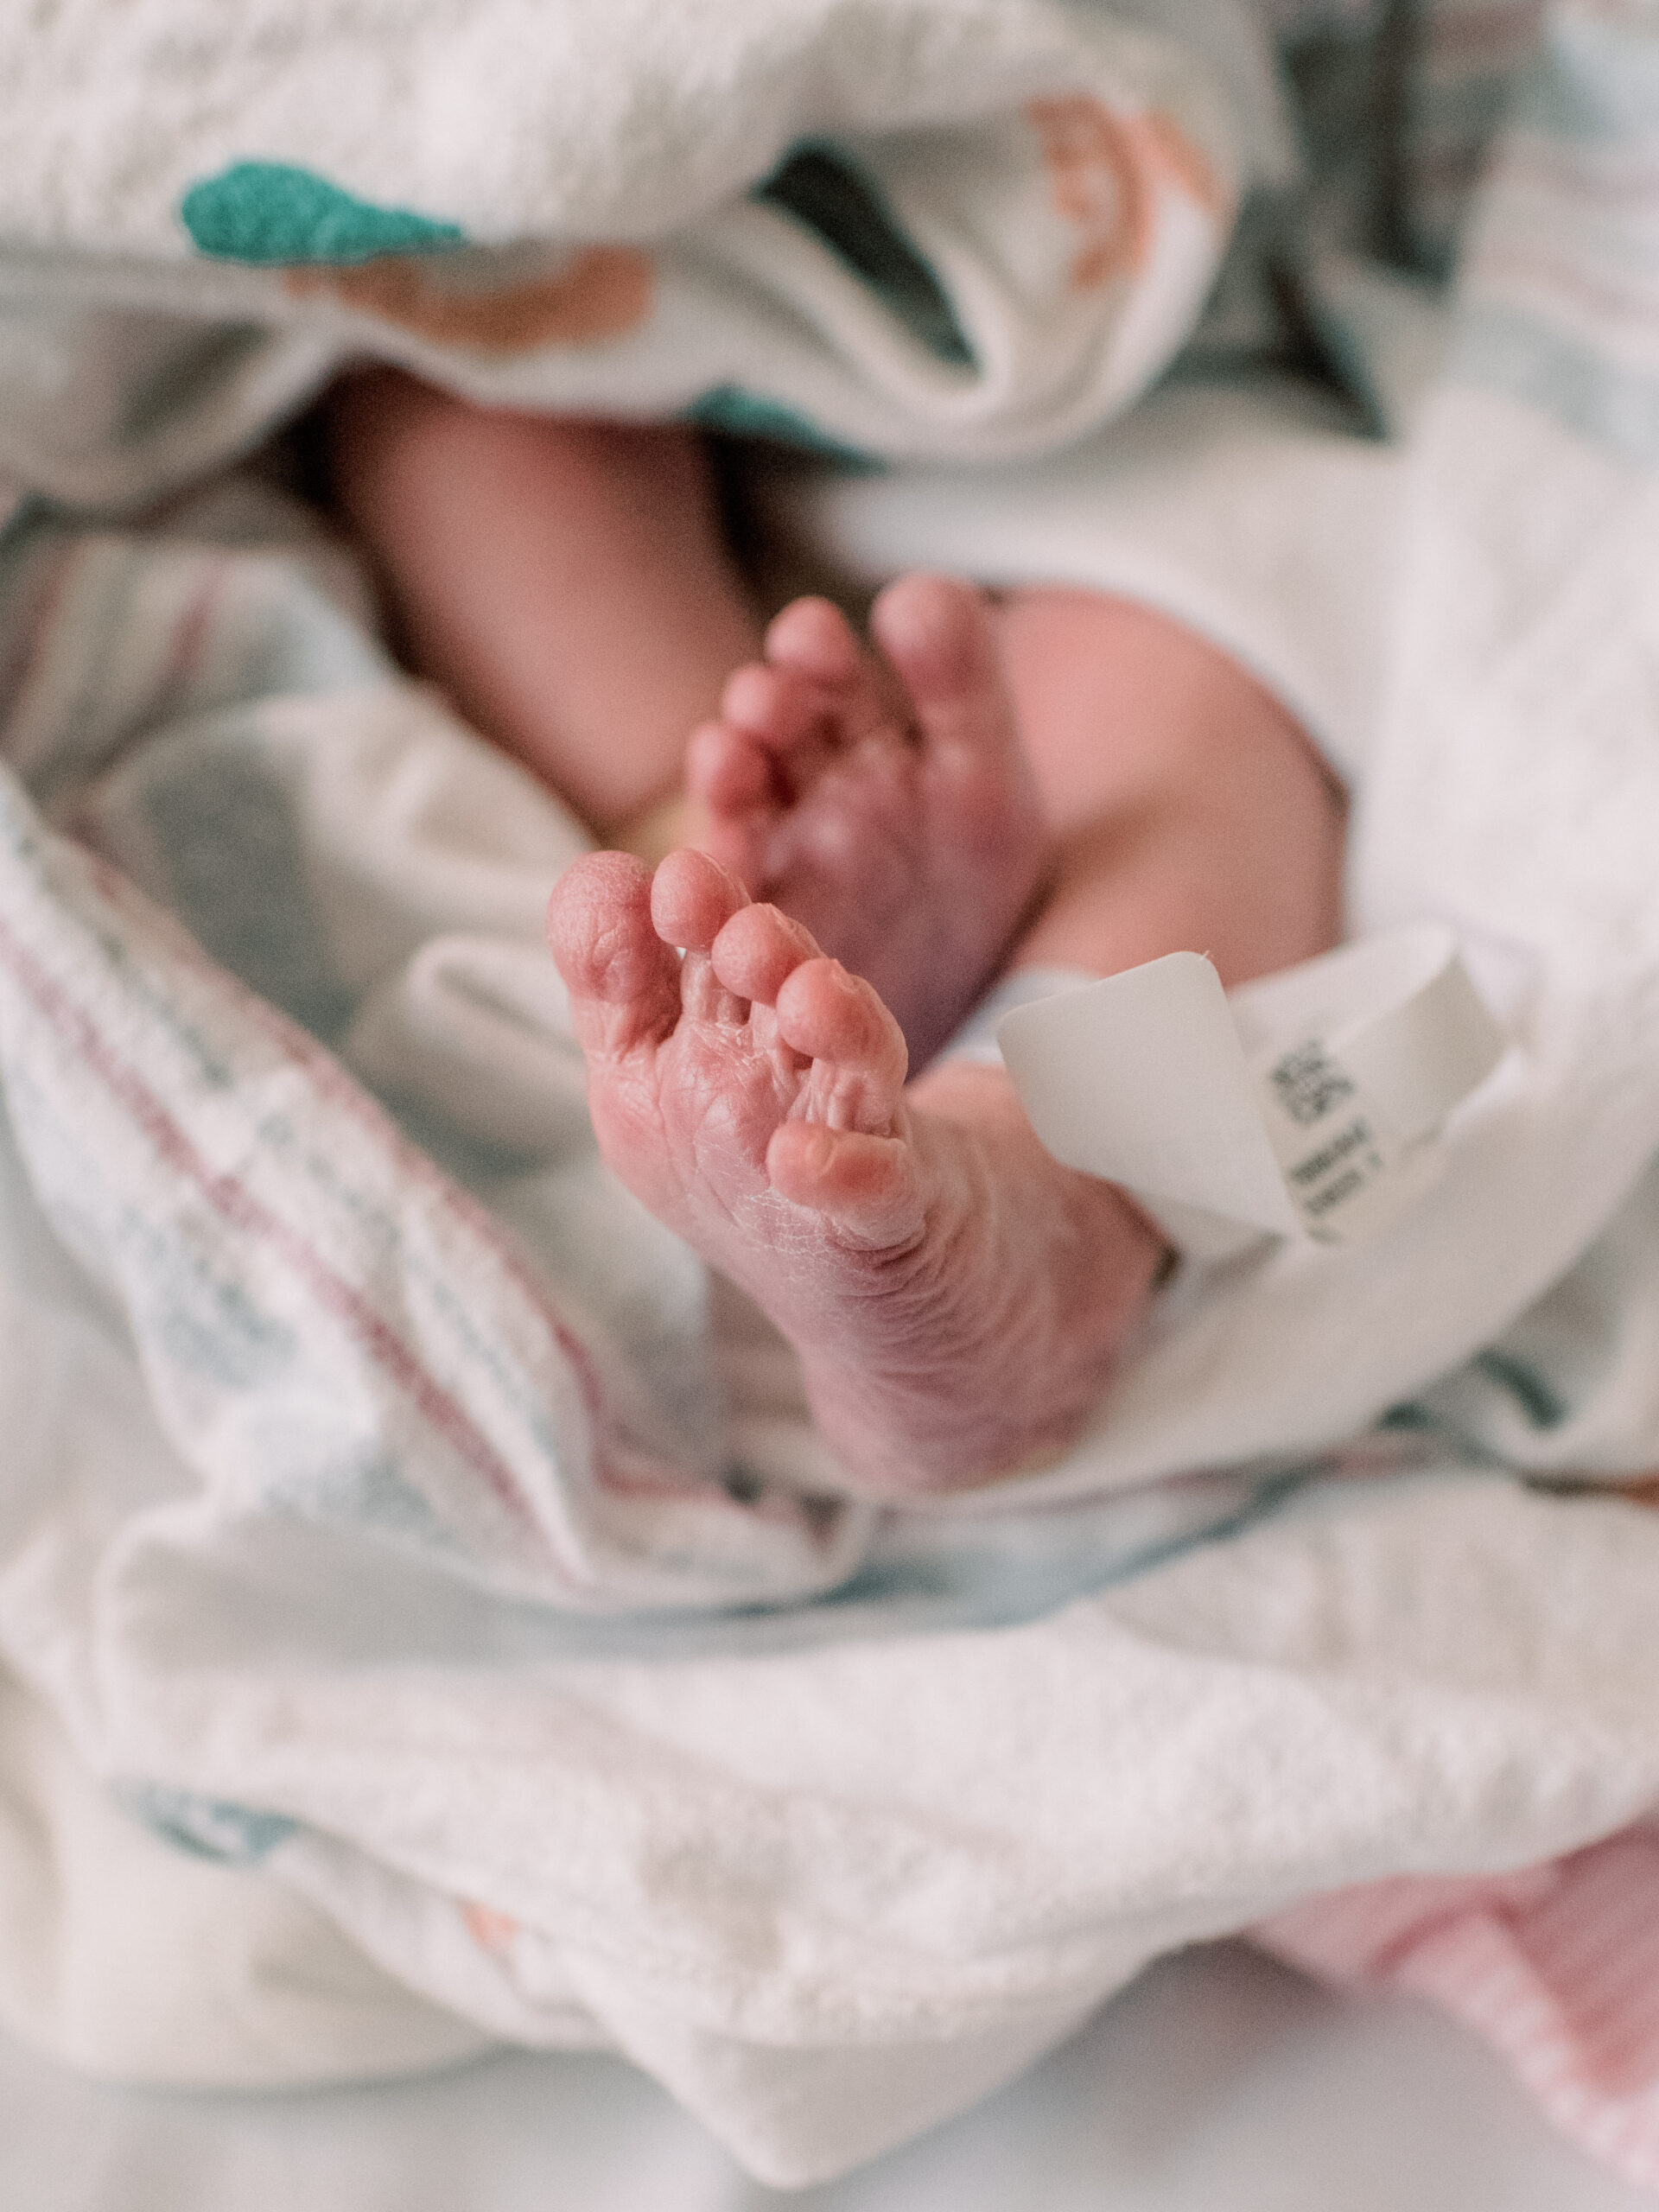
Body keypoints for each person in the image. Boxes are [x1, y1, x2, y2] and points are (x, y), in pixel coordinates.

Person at [328, 370, 1345, 1494]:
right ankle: (715, 856)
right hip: (643, 303)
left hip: (1111, 408)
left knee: (1187, 626)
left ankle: (1038, 1179)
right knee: (449, 411)